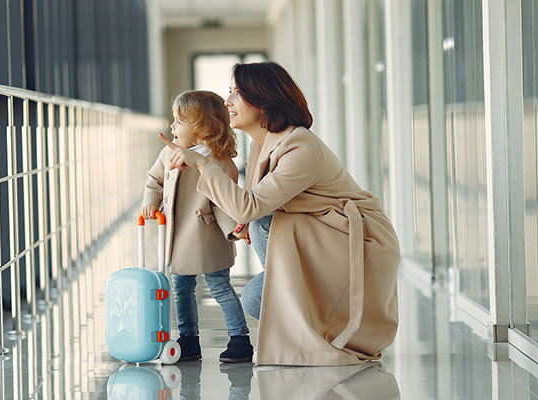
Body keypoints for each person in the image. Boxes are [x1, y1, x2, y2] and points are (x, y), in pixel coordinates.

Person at [158, 62, 400, 366]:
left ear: (263, 102)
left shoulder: (300, 146)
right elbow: (247, 208)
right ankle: (313, 319)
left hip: (355, 245)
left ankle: (331, 323)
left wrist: (203, 164)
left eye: (236, 93)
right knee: (255, 298)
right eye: (228, 93)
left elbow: (250, 206)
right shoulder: (263, 144)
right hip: (324, 238)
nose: (227, 102)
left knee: (261, 224)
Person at [142, 90, 253, 363]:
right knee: (180, 288)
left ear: (202, 129)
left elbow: (223, 201)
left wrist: (234, 228)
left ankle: (240, 340)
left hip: (207, 235)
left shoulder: (219, 162)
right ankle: (188, 339)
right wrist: (150, 201)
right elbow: (154, 180)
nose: (172, 127)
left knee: (220, 287)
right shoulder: (168, 154)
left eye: (179, 121)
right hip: (177, 235)